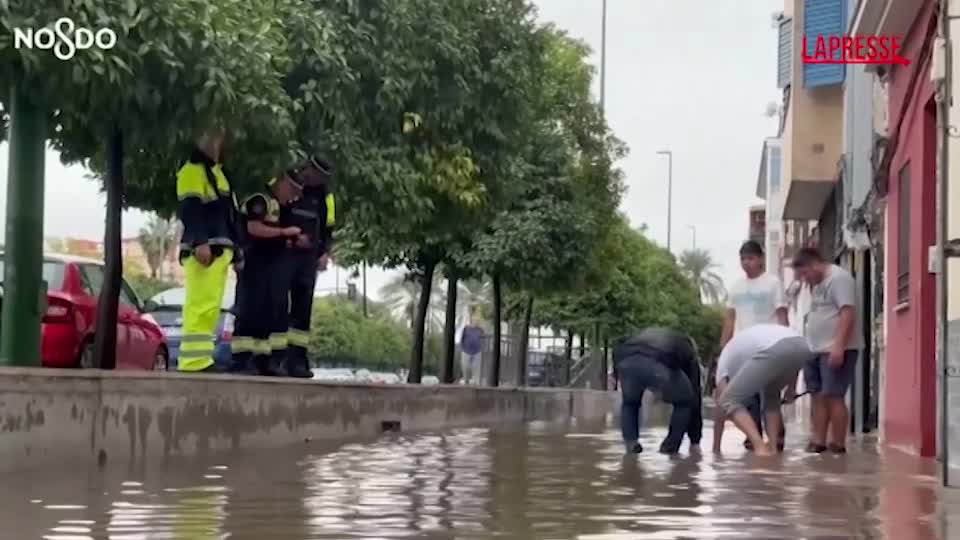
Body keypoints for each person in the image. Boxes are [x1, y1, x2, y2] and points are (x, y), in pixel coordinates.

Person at [175, 128, 242, 373]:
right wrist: (199, 242)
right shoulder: (192, 170)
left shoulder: (218, 173)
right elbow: (189, 208)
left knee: (210, 307)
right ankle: (193, 362)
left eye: (218, 137)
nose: (215, 142)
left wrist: (237, 250)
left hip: (219, 249)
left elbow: (230, 216)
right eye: (210, 136)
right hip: (205, 249)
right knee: (200, 306)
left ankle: (200, 359)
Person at [230, 175, 303, 376]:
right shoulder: (260, 200)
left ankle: (266, 360)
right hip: (254, 264)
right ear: (282, 183)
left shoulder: (280, 206)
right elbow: (253, 227)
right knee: (249, 311)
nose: (294, 197)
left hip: (272, 267)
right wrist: (284, 232)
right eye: (292, 191)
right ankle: (242, 360)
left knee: (272, 312)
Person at [791, 247, 862, 454]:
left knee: (833, 396)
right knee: (817, 395)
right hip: (815, 348)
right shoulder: (816, 284)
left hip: (836, 348)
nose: (805, 279)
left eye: (805, 273)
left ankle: (838, 444)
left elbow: (847, 312)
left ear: (815, 264)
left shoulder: (839, 279)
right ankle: (818, 441)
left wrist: (839, 346)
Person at [721, 240, 789, 450]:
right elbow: (730, 319)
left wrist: (785, 341)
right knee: (747, 394)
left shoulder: (773, 283)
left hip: (769, 345)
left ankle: (777, 436)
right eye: (743, 259)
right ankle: (754, 436)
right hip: (744, 348)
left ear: (760, 259)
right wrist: (724, 348)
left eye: (750, 258)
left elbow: (782, 314)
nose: (746, 263)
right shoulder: (736, 287)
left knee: (769, 394)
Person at [713, 323, 811, 456]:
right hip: (802, 346)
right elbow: (790, 351)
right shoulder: (739, 348)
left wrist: (716, 449)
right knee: (771, 396)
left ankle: (760, 447)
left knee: (728, 401)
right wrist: (791, 388)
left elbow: (722, 404)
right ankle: (773, 449)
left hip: (774, 348)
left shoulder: (722, 362)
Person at [279, 156, 336, 378]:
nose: (319, 179)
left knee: (302, 311)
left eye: (323, 177)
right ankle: (278, 359)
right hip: (285, 254)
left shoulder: (325, 196)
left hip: (309, 259)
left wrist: (325, 253)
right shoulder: (290, 186)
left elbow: (328, 227)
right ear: (308, 169)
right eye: (316, 173)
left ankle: (298, 361)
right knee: (280, 306)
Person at [613, 327, 703, 455]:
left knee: (630, 402)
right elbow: (695, 397)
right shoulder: (689, 351)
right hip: (656, 362)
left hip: (625, 360)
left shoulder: (648, 335)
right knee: (685, 401)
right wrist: (695, 440)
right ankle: (669, 447)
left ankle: (631, 444)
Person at [460, 312, 485, 384]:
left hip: (477, 351)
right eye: (474, 319)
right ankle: (466, 381)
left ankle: (477, 383)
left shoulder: (480, 330)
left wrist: (482, 348)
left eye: (477, 320)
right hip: (466, 350)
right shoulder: (466, 328)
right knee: (465, 367)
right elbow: (462, 338)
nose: (476, 321)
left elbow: (483, 340)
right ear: (471, 320)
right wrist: (462, 348)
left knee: (477, 368)